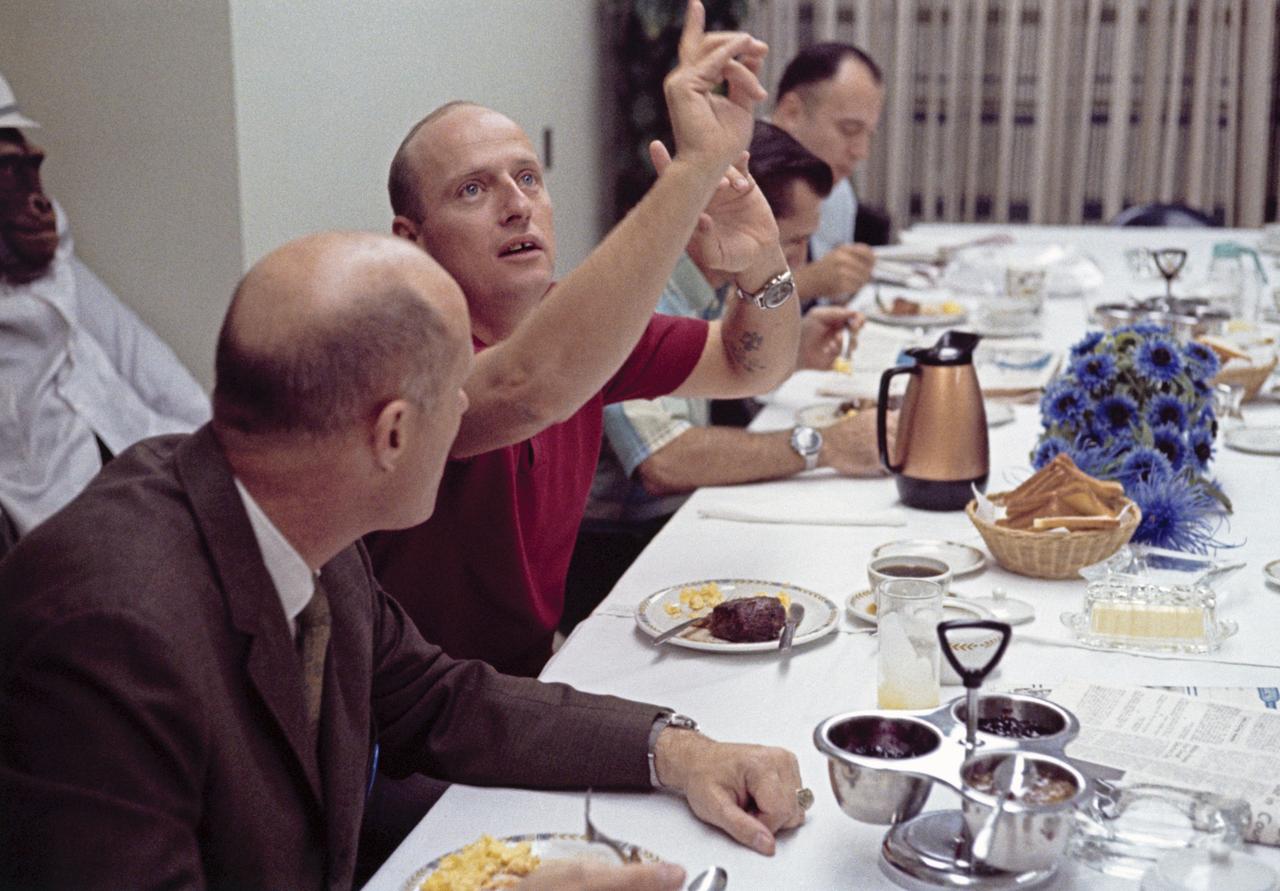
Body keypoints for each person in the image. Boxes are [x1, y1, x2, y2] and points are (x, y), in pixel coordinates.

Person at [0, 230, 811, 891]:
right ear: (391, 434)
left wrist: (677, 750)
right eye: (457, 387)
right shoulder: (108, 632)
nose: (467, 407)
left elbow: (438, 699)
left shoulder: (294, 507)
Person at [367, 1, 803, 676]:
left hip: (532, 675)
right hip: (416, 728)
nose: (516, 203)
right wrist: (693, 172)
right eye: (474, 188)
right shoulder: (403, 351)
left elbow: (753, 366)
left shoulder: (570, 322)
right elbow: (529, 387)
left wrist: (762, 260)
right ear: (411, 238)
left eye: (528, 177)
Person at [564, 123, 887, 631]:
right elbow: (664, 460)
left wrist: (793, 353)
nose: (799, 262)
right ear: (729, 219)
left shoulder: (710, 284)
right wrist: (824, 446)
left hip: (667, 522)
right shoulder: (643, 292)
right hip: (613, 550)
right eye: (793, 241)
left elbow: (718, 374)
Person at [0, 73, 209, 546]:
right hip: (65, 541)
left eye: (32, 169)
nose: (41, 203)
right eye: (10, 174)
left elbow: (167, 385)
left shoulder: (59, 271)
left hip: (150, 485)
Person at [771, 43, 886, 302]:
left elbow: (833, 300)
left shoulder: (838, 191)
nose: (861, 151)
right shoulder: (735, 183)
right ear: (791, 113)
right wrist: (807, 283)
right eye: (849, 129)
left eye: (868, 135)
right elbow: (711, 318)